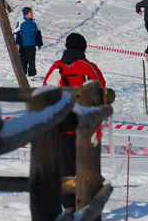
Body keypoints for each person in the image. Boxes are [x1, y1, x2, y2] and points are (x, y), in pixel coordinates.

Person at [43, 33, 106, 210]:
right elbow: (101, 92)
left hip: (63, 125)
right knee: (87, 167)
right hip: (85, 126)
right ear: (83, 48)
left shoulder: (57, 67)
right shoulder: (89, 68)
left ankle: (69, 205)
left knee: (66, 169)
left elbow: (46, 92)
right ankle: (87, 204)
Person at [14, 6, 43, 77]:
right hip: (23, 45)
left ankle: (32, 74)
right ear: (26, 14)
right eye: (31, 13)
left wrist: (39, 43)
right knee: (23, 60)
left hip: (32, 45)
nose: (32, 14)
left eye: (32, 12)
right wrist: (17, 43)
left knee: (31, 60)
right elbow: (17, 33)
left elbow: (38, 33)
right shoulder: (21, 22)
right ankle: (23, 74)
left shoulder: (35, 22)